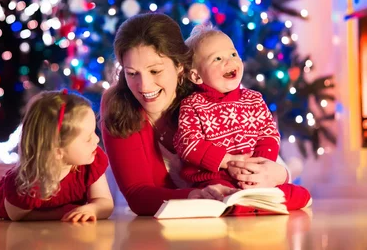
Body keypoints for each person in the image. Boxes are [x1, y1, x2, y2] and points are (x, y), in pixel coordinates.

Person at [101, 13, 291, 216]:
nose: (144, 86)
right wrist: (198, 195)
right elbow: (137, 194)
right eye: (132, 73)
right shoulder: (119, 107)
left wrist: (278, 173)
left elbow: (258, 153)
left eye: (155, 71)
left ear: (180, 66)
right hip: (164, 234)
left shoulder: (206, 94)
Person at [173, 25, 311, 210]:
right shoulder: (193, 104)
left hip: (253, 172)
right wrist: (228, 160)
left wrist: (259, 166)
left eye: (233, 54)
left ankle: (258, 201)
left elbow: (268, 134)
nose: (229, 61)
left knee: (300, 195)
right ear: (196, 76)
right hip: (217, 175)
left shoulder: (253, 99)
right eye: (217, 59)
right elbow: (188, 144)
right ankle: (241, 204)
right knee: (218, 194)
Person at [0, 90, 114, 222]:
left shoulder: (91, 161)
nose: (97, 140)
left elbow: (105, 203)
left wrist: (93, 209)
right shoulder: (27, 182)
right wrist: (61, 214)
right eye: (88, 138)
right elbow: (17, 216)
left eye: (94, 132)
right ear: (57, 151)